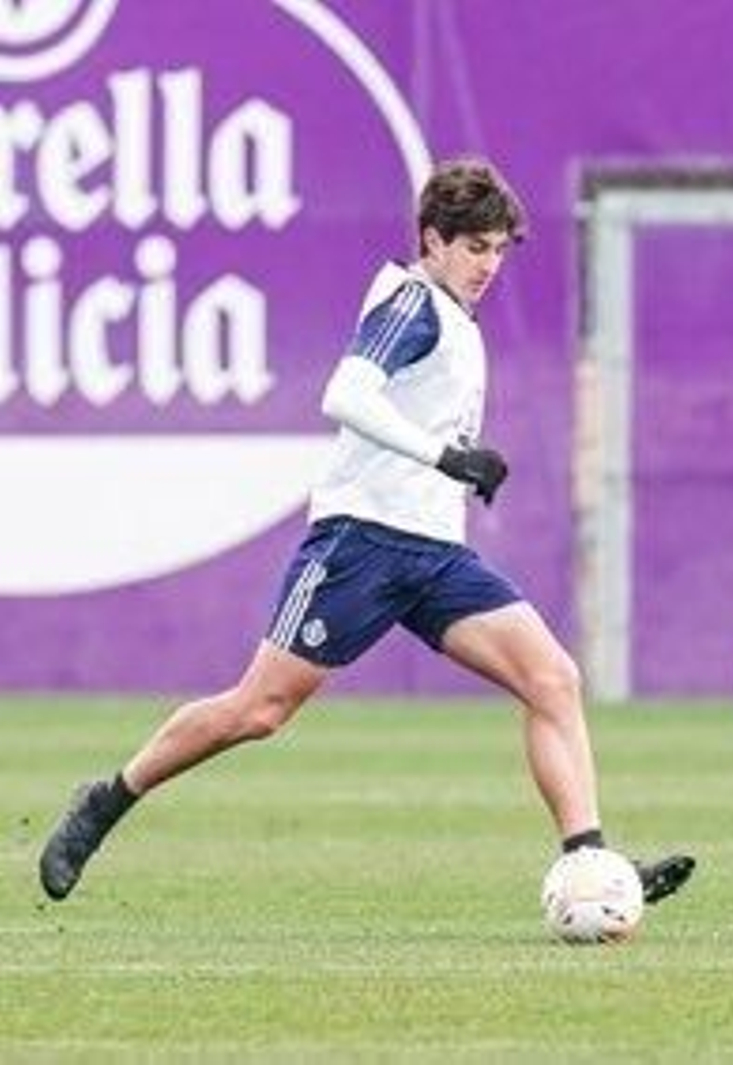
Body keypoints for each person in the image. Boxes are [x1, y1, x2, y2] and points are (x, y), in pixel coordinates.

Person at [39, 157, 695, 907]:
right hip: (360, 545)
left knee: (552, 678)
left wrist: (444, 470)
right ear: (432, 240)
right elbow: (343, 393)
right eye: (472, 246)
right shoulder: (413, 305)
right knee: (259, 710)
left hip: (434, 555)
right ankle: (108, 798)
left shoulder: (452, 315)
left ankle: (589, 863)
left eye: (497, 249)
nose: (487, 264)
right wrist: (446, 455)